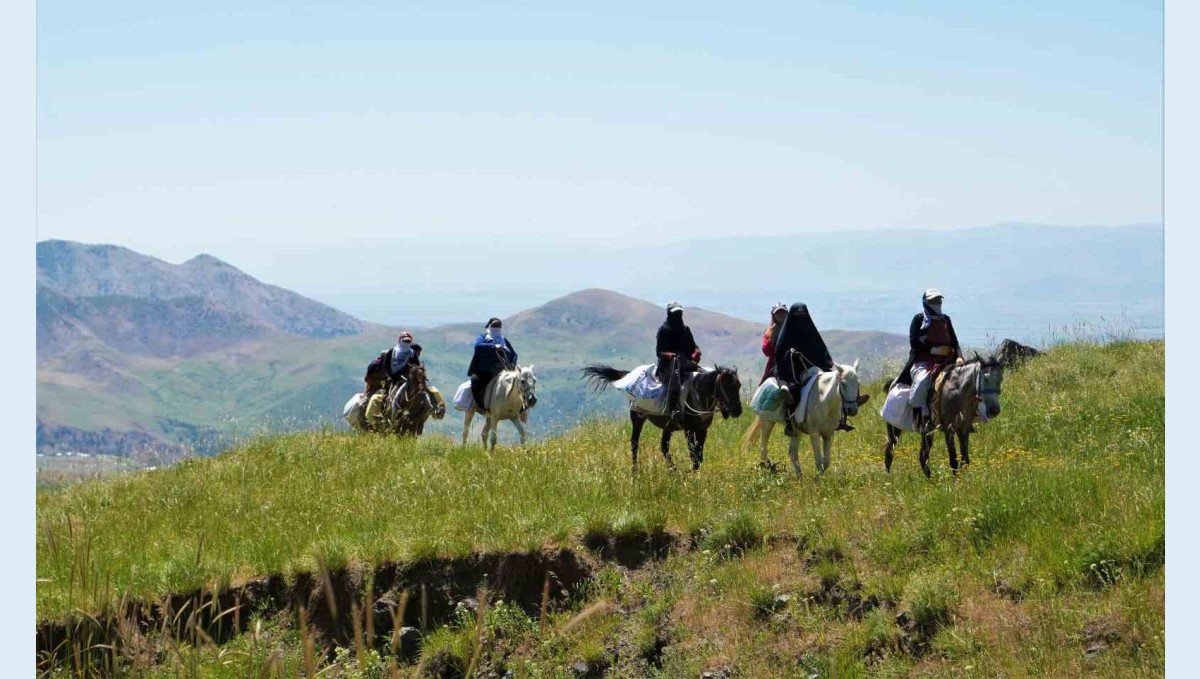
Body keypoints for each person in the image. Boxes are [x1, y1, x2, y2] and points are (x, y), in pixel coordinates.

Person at [772, 303, 854, 436]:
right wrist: (792, 356)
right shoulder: (786, 333)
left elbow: (821, 349)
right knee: (792, 390)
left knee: (836, 386)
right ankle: (790, 423)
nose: (800, 318)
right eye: (797, 315)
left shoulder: (810, 330)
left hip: (813, 367)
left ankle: (841, 419)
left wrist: (827, 363)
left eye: (803, 315)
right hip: (792, 370)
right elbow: (779, 354)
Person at [895, 289, 963, 433]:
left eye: (938, 300)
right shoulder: (919, 319)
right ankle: (921, 419)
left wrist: (959, 356)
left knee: (968, 380)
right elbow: (914, 343)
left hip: (947, 361)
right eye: (933, 301)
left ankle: (967, 418)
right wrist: (934, 350)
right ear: (925, 302)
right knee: (921, 382)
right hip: (923, 362)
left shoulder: (946, 319)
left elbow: (954, 341)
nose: (936, 303)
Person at [655, 301, 701, 425]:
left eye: (679, 313)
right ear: (669, 314)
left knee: (705, 376)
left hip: (685, 364)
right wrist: (669, 355)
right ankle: (674, 409)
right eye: (675, 313)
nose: (678, 315)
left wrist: (696, 352)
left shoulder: (686, 329)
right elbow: (659, 352)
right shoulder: (663, 330)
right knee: (675, 380)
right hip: (668, 367)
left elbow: (693, 346)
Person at [467, 318, 518, 413]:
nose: (496, 328)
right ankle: (481, 406)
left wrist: (512, 364)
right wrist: (494, 346)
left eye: (498, 326)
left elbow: (514, 354)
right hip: (483, 371)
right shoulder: (483, 337)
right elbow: (478, 346)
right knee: (475, 380)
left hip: (501, 370)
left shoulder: (503, 340)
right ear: (490, 327)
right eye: (495, 326)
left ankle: (520, 406)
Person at [760, 302, 788, 385]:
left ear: (787, 313)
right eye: (777, 312)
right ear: (773, 315)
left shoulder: (793, 329)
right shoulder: (769, 332)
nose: (780, 314)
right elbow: (766, 352)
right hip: (775, 363)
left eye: (782, 312)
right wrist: (771, 338)